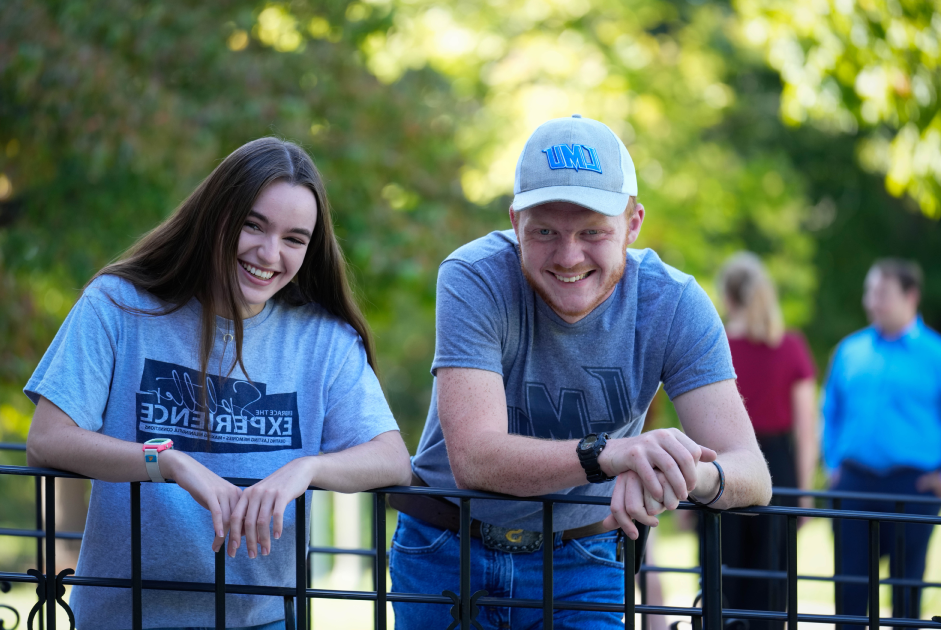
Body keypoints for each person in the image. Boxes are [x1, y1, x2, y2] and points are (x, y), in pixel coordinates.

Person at [388, 114, 772, 630]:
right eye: (545, 231)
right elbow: (476, 459)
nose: (569, 256)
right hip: (444, 549)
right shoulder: (472, 276)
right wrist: (611, 454)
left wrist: (678, 473)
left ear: (633, 223)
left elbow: (752, 473)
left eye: (593, 231)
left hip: (583, 559)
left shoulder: (673, 301)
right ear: (515, 221)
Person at [23, 137, 412, 630]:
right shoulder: (117, 305)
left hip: (264, 620)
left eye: (295, 239)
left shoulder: (324, 339)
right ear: (216, 217)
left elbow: (392, 457)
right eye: (253, 225)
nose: (270, 253)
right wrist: (166, 462)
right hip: (127, 615)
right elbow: (47, 439)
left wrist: (307, 468)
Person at [822, 258, 941, 626]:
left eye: (882, 293)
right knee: (850, 586)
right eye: (869, 292)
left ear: (911, 296)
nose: (872, 301)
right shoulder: (849, 351)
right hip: (854, 483)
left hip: (914, 485)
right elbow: (830, 412)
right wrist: (832, 467)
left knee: (907, 587)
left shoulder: (936, 354)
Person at [717, 252, 817, 628]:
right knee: (773, 581)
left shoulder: (717, 345)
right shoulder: (791, 346)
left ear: (728, 295)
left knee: (722, 575)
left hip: (726, 460)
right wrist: (805, 491)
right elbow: (807, 430)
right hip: (778, 466)